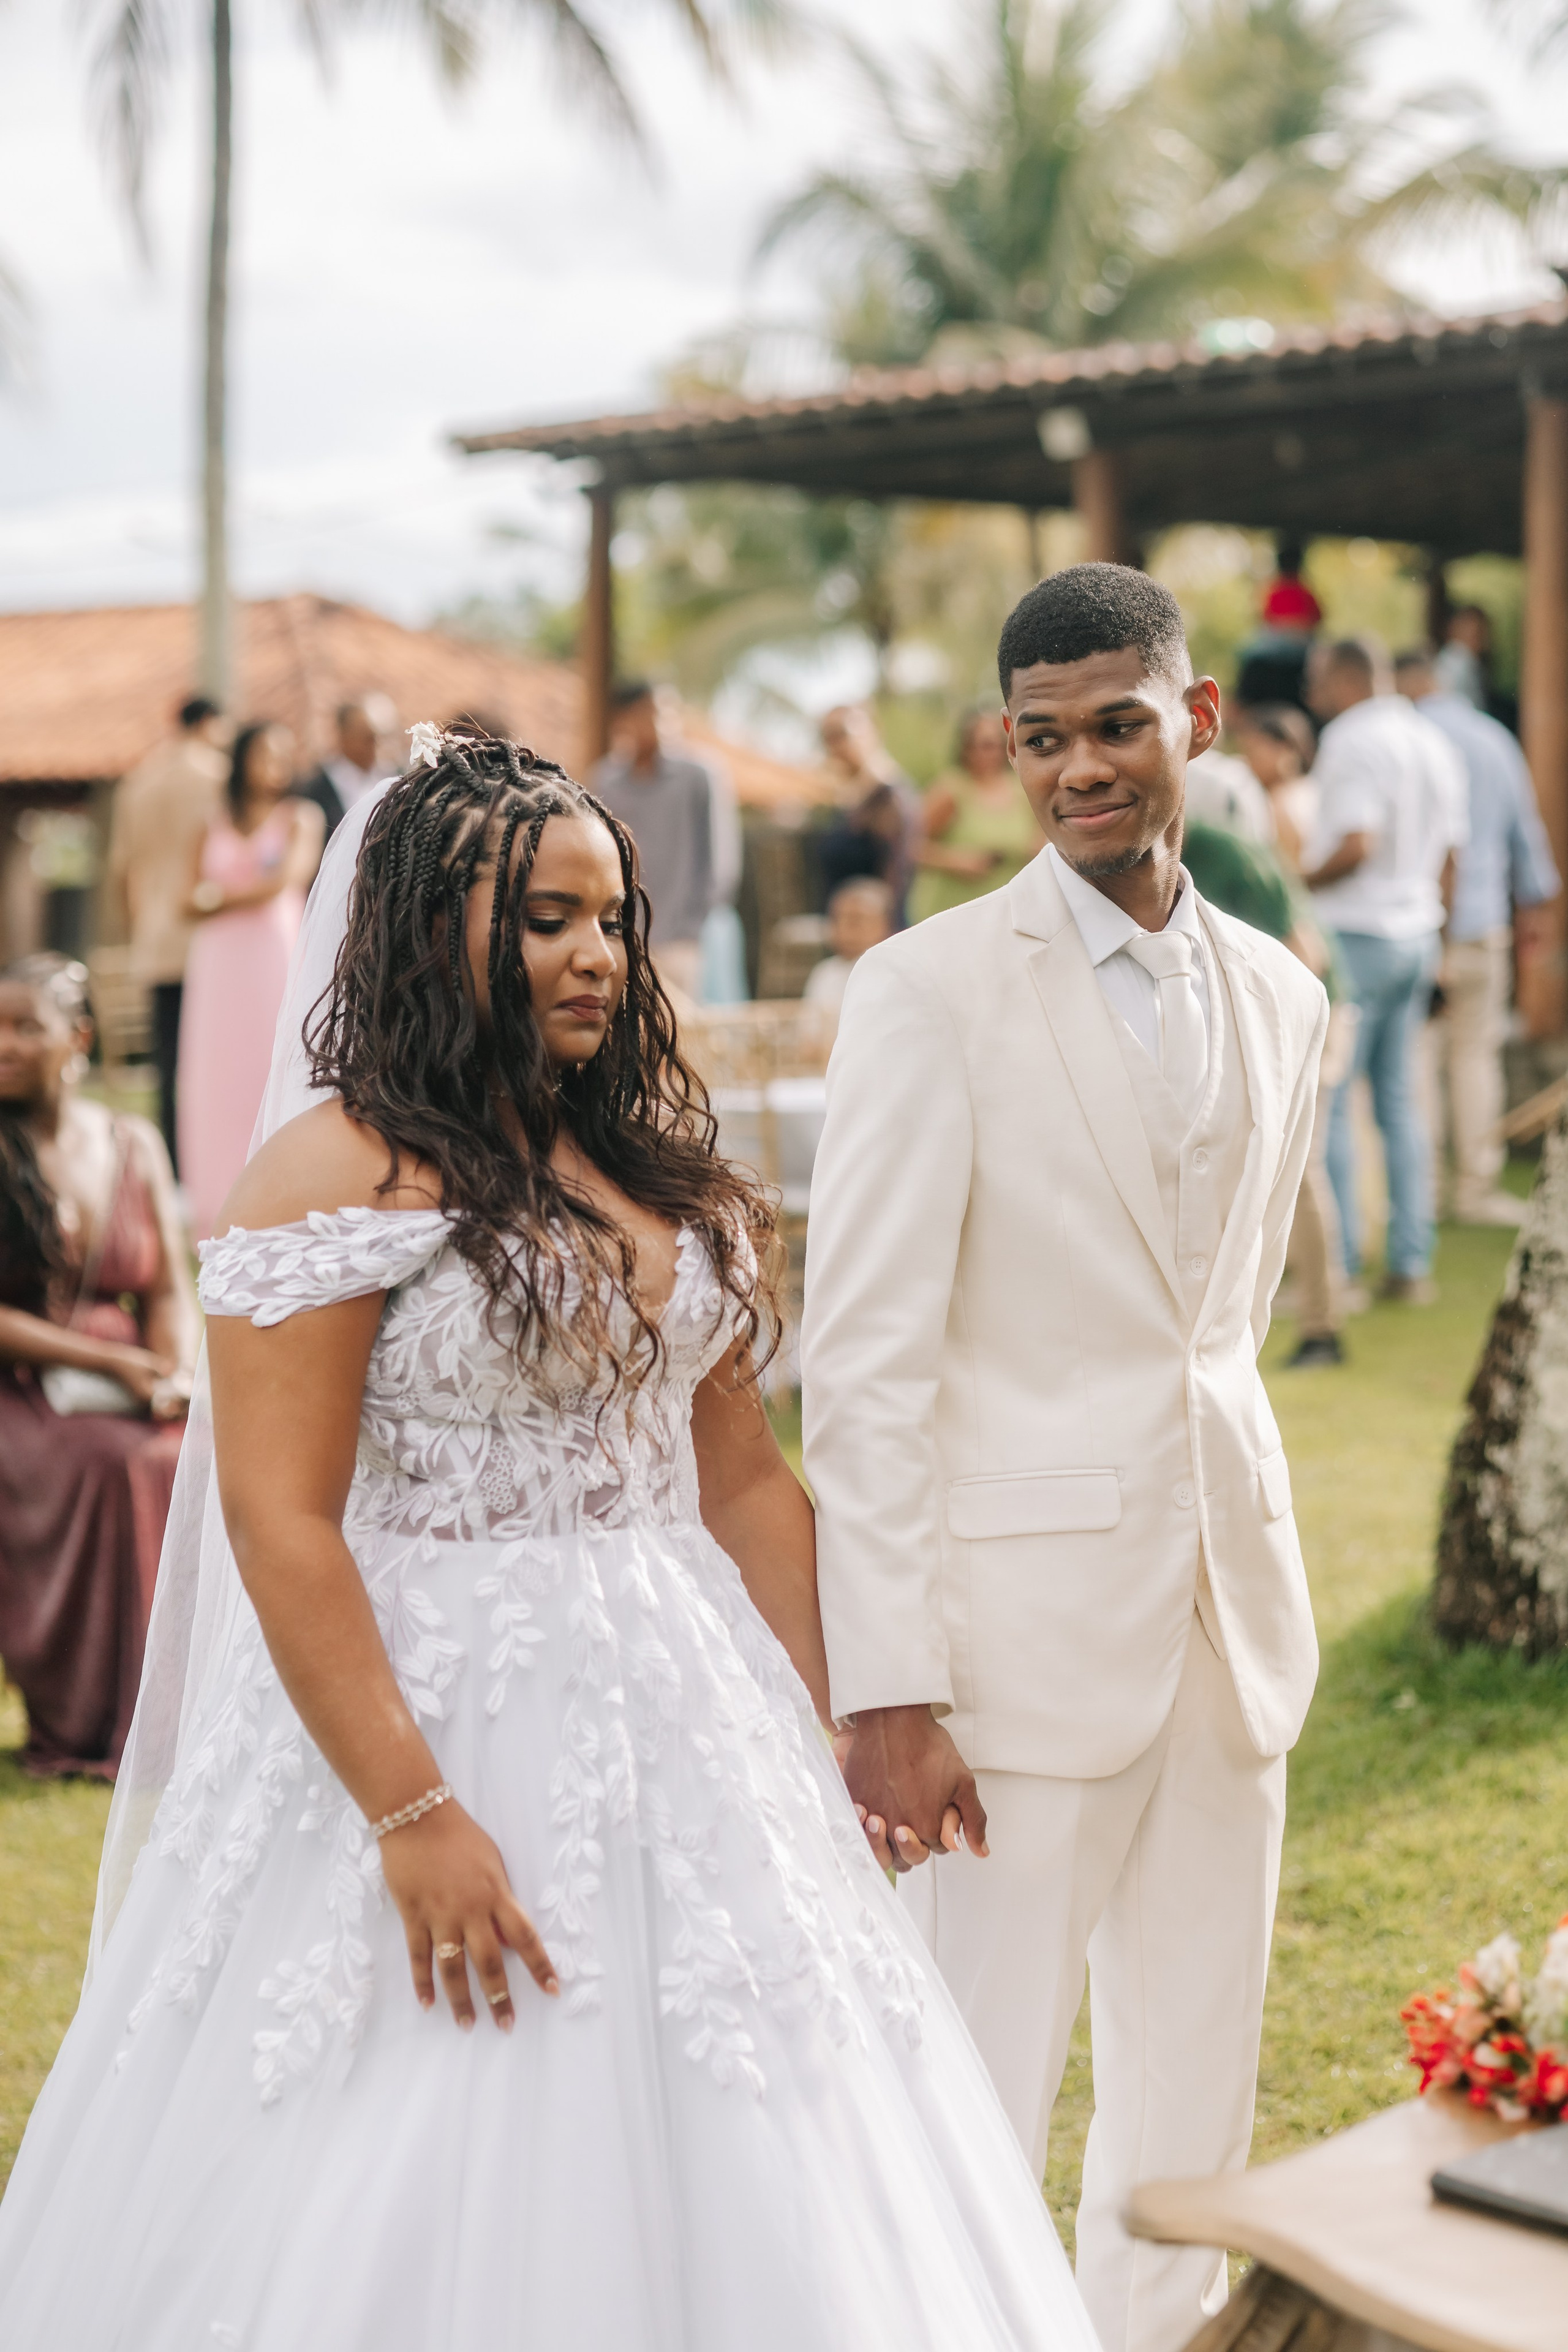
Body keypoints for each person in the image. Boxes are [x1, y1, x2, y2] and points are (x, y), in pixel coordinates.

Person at [0, 731, 1096, 2352]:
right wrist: (415, 1814)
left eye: (612, 917)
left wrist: (872, 1708)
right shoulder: (330, 1172)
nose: (594, 954)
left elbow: (738, 1486)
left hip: (684, 1714)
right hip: (422, 1712)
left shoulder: (644, 1155)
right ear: (432, 928)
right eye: (544, 920)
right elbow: (280, 1522)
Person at [802, 564, 1327, 2352]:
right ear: (1007, 749)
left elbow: (1220, 1320)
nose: (1079, 767)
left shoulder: (1282, 995)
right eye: (1042, 738)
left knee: (1193, 2114)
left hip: (1229, 1624)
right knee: (969, 2110)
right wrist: (885, 1677)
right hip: (1007, 1662)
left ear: (1191, 718)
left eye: (1116, 724)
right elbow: (860, 1362)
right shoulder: (924, 990)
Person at [0, 956, 197, 1780]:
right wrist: (111, 1362)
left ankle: (176, 1721)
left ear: (76, 1039)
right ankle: (83, 1721)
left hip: (131, 1379)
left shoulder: (133, 1141)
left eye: (24, 1027)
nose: (3, 1045)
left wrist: (175, 1375)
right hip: (21, 1385)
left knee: (186, 1456)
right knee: (111, 1463)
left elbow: (169, 1286)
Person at [1302, 639, 1469, 1303]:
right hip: (1419, 932)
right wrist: (1445, 948)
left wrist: (1293, 880)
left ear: (1343, 679)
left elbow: (1355, 844)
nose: (1313, 693)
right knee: (1400, 1102)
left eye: (1318, 679)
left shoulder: (1350, 738)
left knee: (1335, 1100)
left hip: (1357, 933)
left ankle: (1338, 1264)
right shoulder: (1430, 738)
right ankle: (1409, 1261)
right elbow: (1453, 857)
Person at [1394, 647, 1561, 1225]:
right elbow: (1527, 837)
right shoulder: (1494, 740)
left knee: (1417, 1060)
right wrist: (1535, 912)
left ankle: (1425, 1189)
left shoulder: (1404, 738)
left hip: (1414, 924)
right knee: (1475, 1056)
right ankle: (1476, 1187)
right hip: (1482, 924)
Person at [1179, 822, 1354, 1366]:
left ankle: (1323, 1328)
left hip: (1305, 1014)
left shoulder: (1224, 852)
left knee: (1297, 1166)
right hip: (1238, 1021)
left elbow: (1308, 956)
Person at [177, 722, 325, 1239]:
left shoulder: (300, 818)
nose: (275, 766)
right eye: (265, 754)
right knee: (217, 1074)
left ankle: (283, 1196)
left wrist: (219, 898)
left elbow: (282, 883)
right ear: (242, 760)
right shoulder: (210, 822)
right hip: (220, 964)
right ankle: (215, 1203)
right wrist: (216, 899)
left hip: (272, 956)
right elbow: (183, 898)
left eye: (284, 756)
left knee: (272, 1062)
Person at [105, 695, 229, 1172]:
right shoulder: (218, 776)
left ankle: (172, 1165)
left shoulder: (138, 781)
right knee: (213, 1057)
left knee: (167, 1063)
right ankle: (212, 1159)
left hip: (156, 939)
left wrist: (135, 927)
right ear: (210, 723)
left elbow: (120, 870)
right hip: (209, 933)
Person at [590, 681, 726, 1002]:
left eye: (664, 712)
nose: (659, 722)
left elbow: (720, 860)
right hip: (625, 935)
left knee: (686, 1036)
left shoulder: (699, 775)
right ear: (622, 719)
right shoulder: (605, 779)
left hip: (683, 939)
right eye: (648, 713)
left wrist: (692, 929)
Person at [908, 709, 1041, 924]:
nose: (991, 752)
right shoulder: (950, 790)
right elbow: (910, 845)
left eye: (997, 743)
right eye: (983, 745)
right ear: (966, 748)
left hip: (1009, 913)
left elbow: (1041, 838)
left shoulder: (1021, 788)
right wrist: (954, 861)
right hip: (954, 912)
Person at [813, 704, 921, 924]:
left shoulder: (889, 798)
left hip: (874, 932)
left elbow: (897, 877)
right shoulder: (847, 798)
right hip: (845, 928)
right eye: (827, 737)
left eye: (841, 735)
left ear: (871, 733)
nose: (833, 746)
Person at [296, 695, 398, 840]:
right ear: (343, 734)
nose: (376, 745)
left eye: (381, 737)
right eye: (367, 737)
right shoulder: (314, 789)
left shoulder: (397, 779)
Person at [1232, 704, 1319, 872]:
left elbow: (1288, 874)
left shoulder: (1283, 802)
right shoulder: (1310, 789)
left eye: (1252, 750)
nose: (1247, 760)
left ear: (1283, 749)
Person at [802, 876, 895, 1016]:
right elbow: (810, 1034)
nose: (845, 929)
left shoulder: (894, 974)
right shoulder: (825, 974)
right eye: (839, 919)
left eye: (857, 920)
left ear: (884, 925)